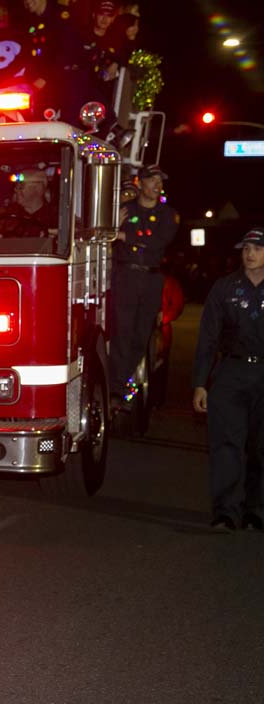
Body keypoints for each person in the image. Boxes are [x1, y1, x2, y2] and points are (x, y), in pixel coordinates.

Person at [192, 227, 264, 531]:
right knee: (226, 445)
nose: (250, 254)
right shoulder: (224, 288)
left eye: (257, 248)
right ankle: (226, 512)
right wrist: (200, 382)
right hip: (230, 374)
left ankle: (255, 511)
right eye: (246, 248)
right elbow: (208, 338)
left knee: (261, 447)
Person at [110, 164, 179, 402]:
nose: (157, 185)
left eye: (160, 181)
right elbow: (105, 235)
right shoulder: (123, 209)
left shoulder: (168, 214)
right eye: (153, 180)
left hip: (151, 277)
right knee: (123, 331)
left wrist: (123, 236)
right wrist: (114, 228)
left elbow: (159, 241)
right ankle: (116, 385)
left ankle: (123, 377)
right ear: (141, 182)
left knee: (142, 334)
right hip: (126, 276)